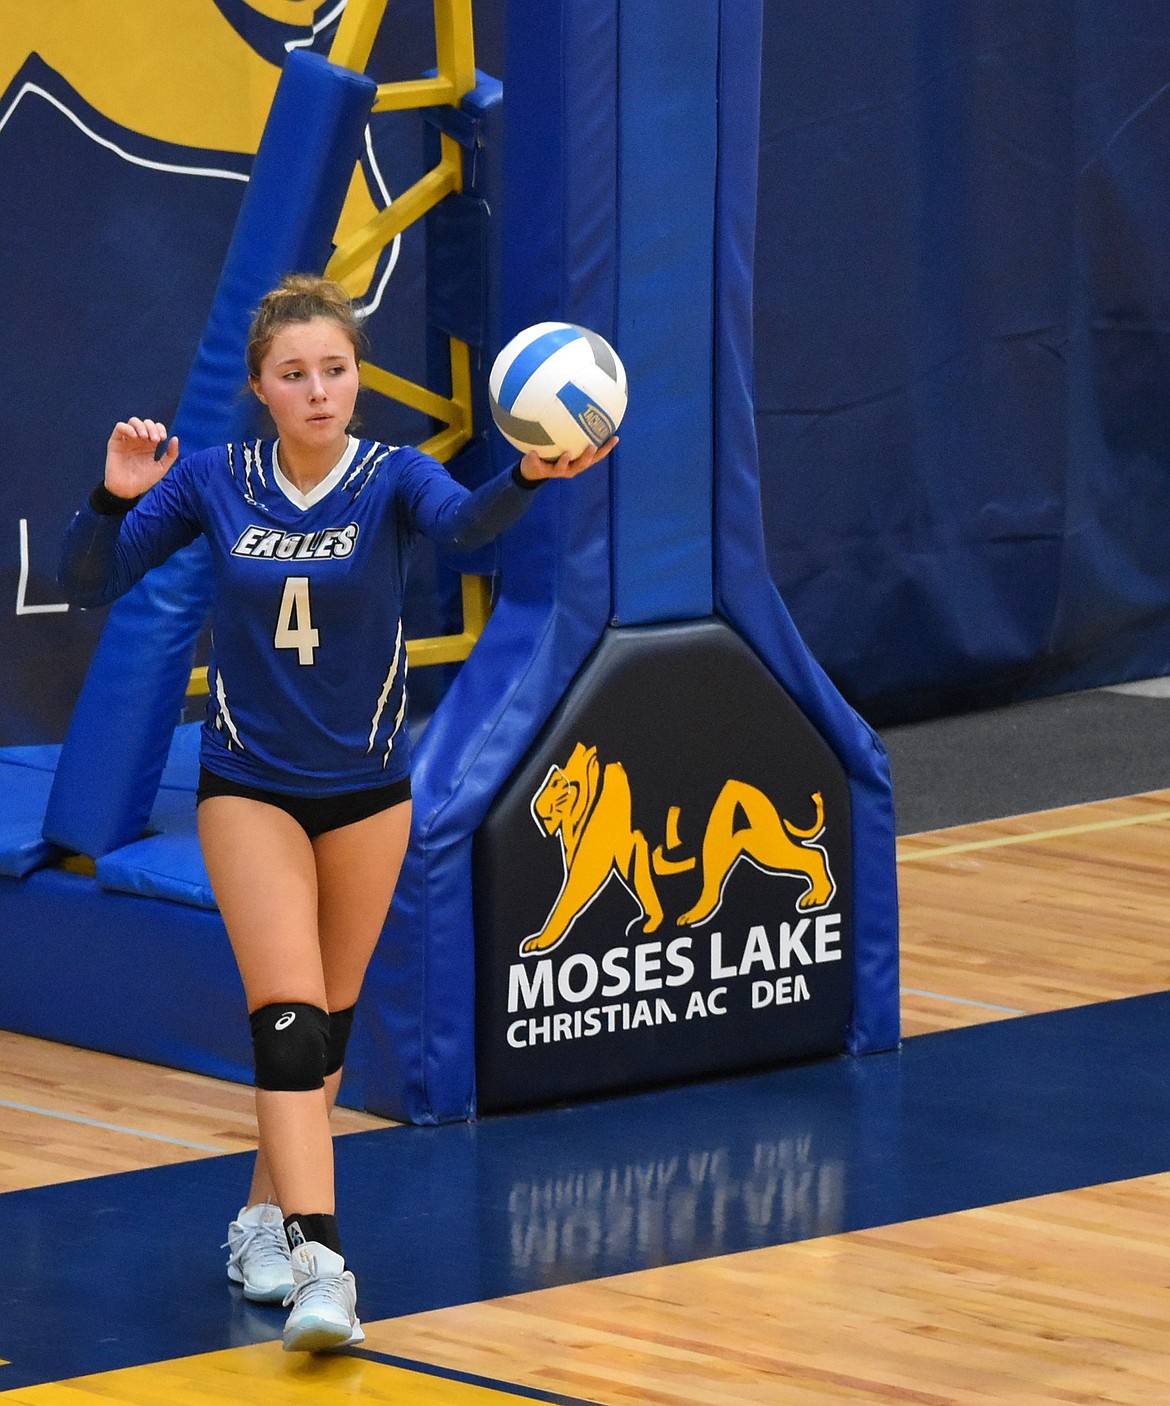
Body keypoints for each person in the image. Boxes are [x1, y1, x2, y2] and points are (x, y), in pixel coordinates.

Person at [58, 274, 615, 1352]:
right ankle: (324, 1266)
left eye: (336, 369)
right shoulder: (215, 479)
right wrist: (114, 496)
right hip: (250, 785)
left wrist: (529, 474)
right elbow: (92, 579)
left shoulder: (394, 474)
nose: (319, 390)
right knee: (287, 1017)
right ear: (261, 388)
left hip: (366, 791)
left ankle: (258, 1223)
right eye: (295, 373)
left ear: (357, 377)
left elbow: (466, 528)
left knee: (329, 1031)